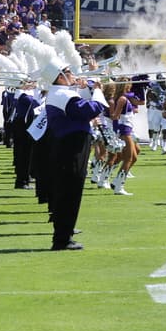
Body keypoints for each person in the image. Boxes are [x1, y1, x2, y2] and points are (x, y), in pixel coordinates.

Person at [41, 63, 105, 251]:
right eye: (68, 72)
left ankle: (64, 234)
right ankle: (62, 238)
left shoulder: (62, 93)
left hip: (70, 144)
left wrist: (85, 89)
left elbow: (78, 112)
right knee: (69, 191)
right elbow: (90, 109)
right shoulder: (62, 94)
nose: (73, 75)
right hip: (71, 146)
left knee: (69, 191)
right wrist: (97, 91)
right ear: (60, 77)